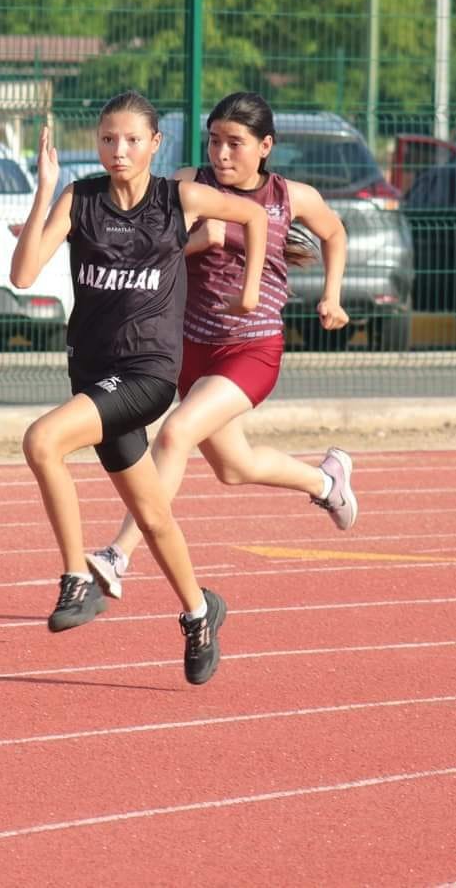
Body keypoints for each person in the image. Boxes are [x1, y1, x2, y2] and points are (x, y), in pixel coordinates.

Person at [10, 90, 269, 685]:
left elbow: (252, 215)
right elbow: (23, 275)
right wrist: (45, 188)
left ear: (155, 145)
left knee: (43, 441)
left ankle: (76, 576)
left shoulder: (176, 198)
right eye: (107, 139)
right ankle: (200, 611)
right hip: (94, 373)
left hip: (148, 374)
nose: (118, 150)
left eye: (131, 140)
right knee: (152, 517)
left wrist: (250, 288)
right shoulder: (82, 199)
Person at [85, 91, 356, 604]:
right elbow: (146, 247)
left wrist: (332, 296)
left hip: (250, 350)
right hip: (188, 347)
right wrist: (198, 240)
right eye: (214, 142)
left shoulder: (289, 196)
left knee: (174, 434)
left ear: (265, 147)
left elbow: (334, 233)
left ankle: (118, 553)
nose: (222, 155)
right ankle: (325, 483)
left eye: (235, 144)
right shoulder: (187, 185)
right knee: (235, 467)